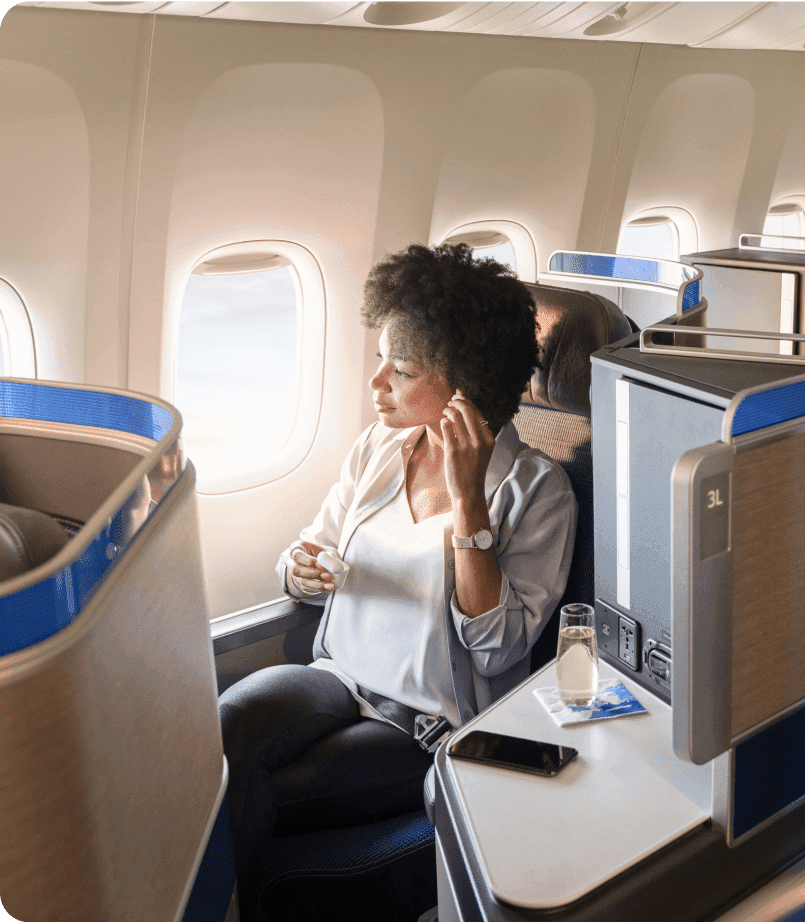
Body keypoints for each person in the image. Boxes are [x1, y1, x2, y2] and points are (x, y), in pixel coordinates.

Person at [218, 243, 576, 912]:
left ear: (465, 387)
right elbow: (309, 553)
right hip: (335, 679)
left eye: (401, 370)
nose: (376, 383)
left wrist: (470, 501)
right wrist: (300, 571)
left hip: (422, 724)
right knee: (225, 729)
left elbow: (497, 649)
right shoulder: (379, 448)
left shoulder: (536, 492)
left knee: (264, 790)